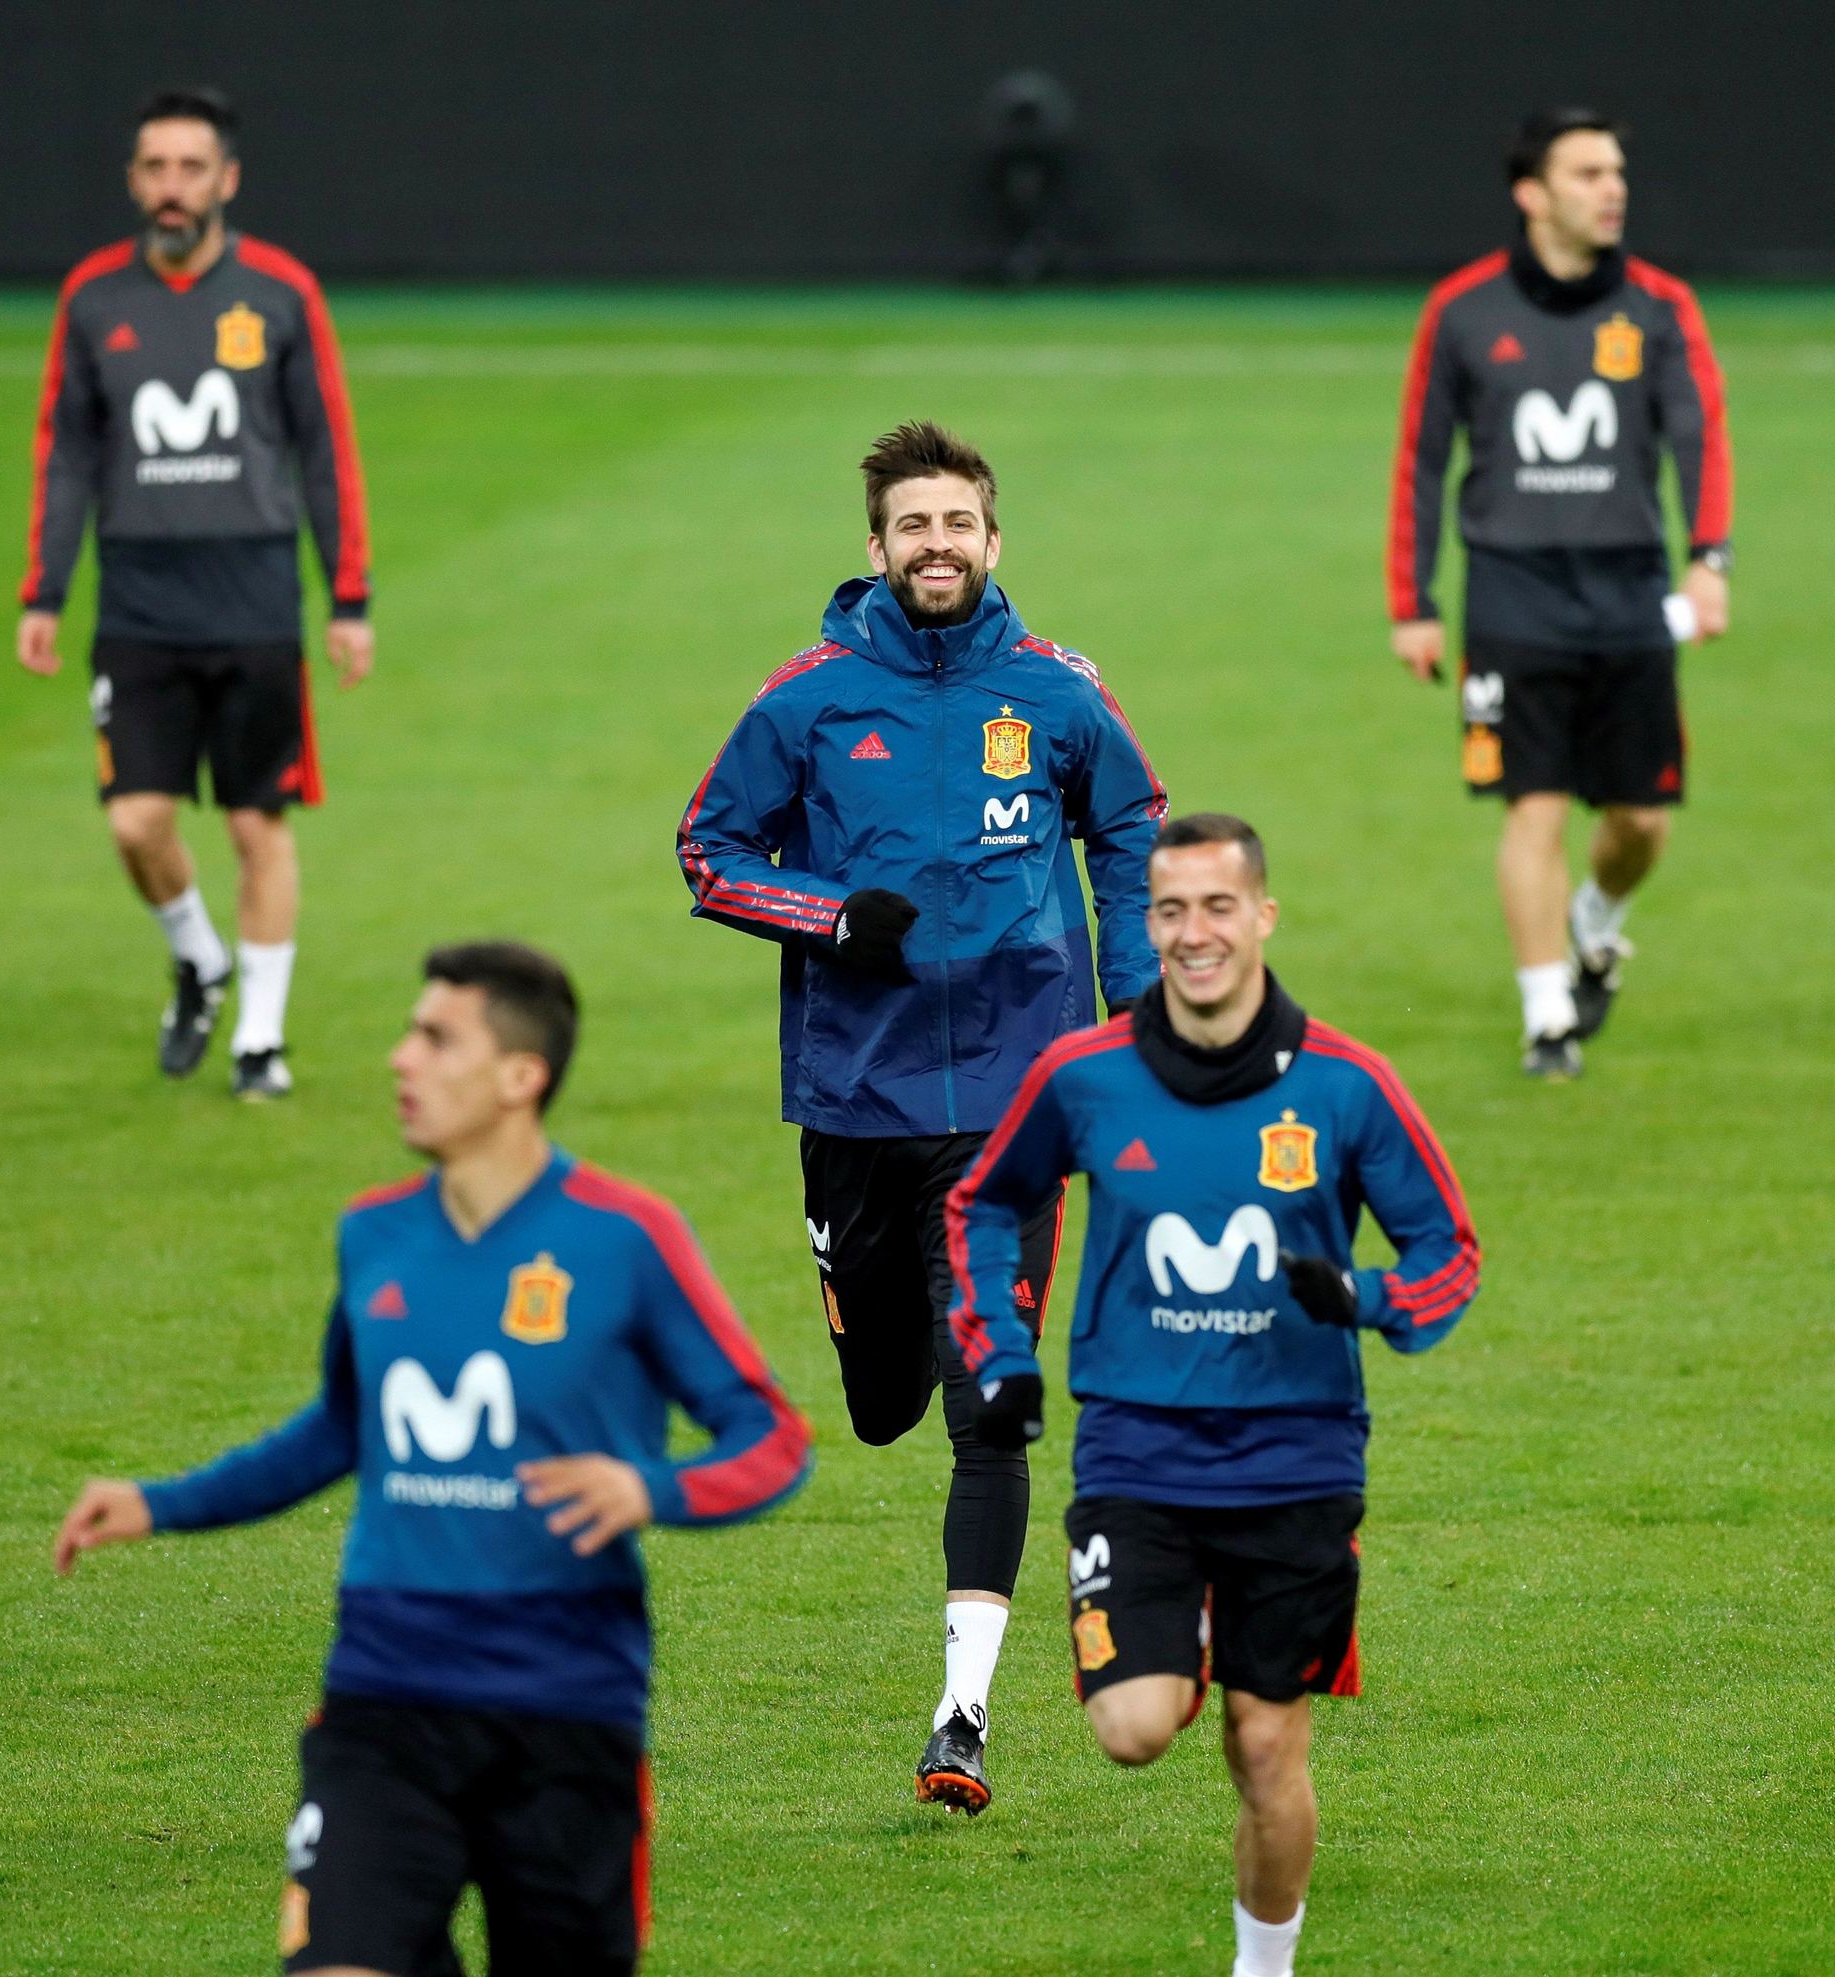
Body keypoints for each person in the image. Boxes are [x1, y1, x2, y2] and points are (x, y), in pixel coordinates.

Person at [54, 941, 812, 1977]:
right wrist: (160, 1503)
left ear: (519, 1078)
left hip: (564, 1711)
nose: (397, 1059)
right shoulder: (373, 1235)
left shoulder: (626, 1238)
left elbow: (772, 1435)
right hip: (384, 1693)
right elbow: (338, 1428)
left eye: (434, 1037)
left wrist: (652, 1486)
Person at [676, 420, 1166, 1813]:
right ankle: (868, 1339)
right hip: (857, 1100)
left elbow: (1131, 829)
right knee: (887, 1404)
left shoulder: (1060, 694)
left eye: (959, 524)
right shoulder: (810, 699)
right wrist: (828, 912)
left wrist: (1124, 1017)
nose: (936, 546)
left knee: (990, 1411)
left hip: (1021, 1099)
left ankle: (961, 1718)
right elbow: (708, 850)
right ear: (879, 550)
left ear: (994, 541)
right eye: (912, 528)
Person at [946, 814, 1477, 1977]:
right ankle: (1177, 1628)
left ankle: (1263, 1968)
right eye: (1172, 910)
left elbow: (1449, 1253)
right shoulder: (1082, 1077)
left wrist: (1368, 1296)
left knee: (1265, 1746)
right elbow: (982, 1205)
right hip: (1137, 1451)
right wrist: (1003, 1351)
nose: (1196, 935)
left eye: (1219, 908)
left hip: (1299, 1459)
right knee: (1134, 1728)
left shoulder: (1349, 1086)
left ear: (1264, 917)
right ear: (1148, 924)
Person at [18, 86, 374, 1099]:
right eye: (154, 168)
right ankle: (198, 956)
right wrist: (44, 588)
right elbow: (66, 452)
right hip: (137, 604)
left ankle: (258, 1041)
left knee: (259, 825)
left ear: (226, 178)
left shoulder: (280, 293)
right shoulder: (92, 297)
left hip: (255, 599)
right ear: (134, 180)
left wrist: (347, 600)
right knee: (136, 822)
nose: (171, 188)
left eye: (190, 168)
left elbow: (325, 449)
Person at [1387, 108, 1733, 1079]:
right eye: (1587, 173)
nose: (1612, 188)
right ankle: (1548, 1017)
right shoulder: (1462, 310)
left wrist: (1712, 558)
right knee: (1530, 806)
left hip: (1628, 594)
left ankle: (1597, 920)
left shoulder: (1662, 307)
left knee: (1641, 822)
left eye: (1616, 171)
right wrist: (1413, 600)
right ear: (1532, 194)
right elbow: (1421, 458)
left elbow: (1699, 437)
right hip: (1510, 595)